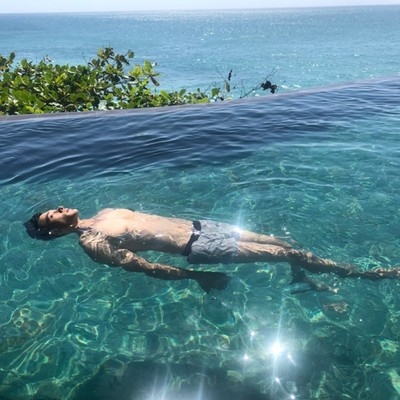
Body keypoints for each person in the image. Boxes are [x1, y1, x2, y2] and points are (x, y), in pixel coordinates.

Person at [24, 206, 400, 293]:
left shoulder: (107, 212)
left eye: (54, 208)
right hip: (199, 245)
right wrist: (196, 277)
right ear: (54, 232)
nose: (59, 209)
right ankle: (370, 275)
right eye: (51, 217)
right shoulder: (92, 243)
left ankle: (303, 279)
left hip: (203, 226)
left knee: (284, 244)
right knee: (291, 253)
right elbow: (143, 267)